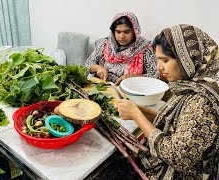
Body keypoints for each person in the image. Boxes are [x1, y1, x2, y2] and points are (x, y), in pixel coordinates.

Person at [116, 24, 219, 179]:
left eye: (164, 60)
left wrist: (137, 115)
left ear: (188, 60)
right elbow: (178, 123)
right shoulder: (192, 85)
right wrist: (139, 110)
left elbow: (178, 156)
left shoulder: (202, 102)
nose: (159, 67)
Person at [85, 11, 158, 85]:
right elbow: (88, 63)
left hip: (131, 90)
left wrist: (133, 77)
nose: (121, 36)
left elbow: (155, 76)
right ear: (113, 32)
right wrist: (98, 68)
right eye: (118, 32)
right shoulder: (106, 44)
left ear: (135, 31)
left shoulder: (145, 48)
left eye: (126, 32)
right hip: (104, 87)